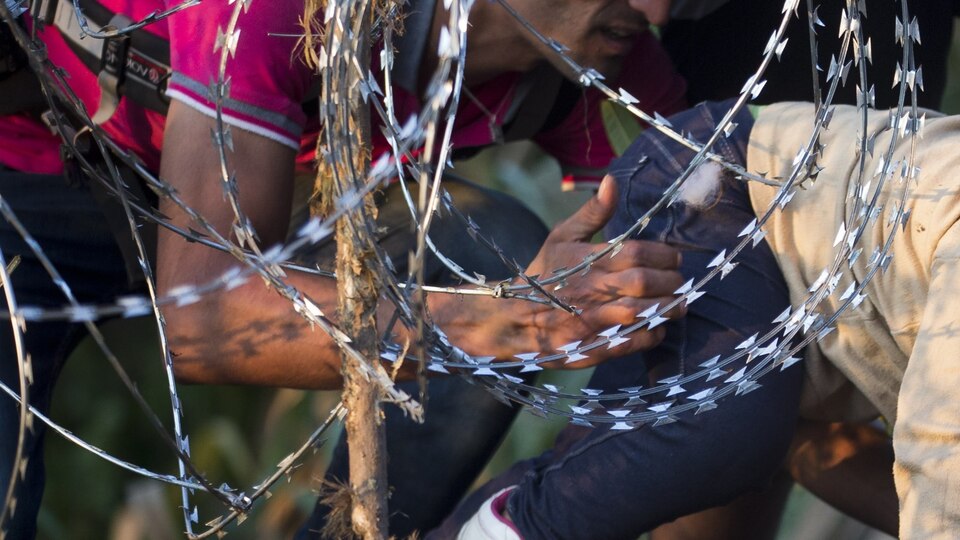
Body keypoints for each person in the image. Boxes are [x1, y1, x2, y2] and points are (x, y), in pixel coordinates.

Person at [0, 0, 689, 537]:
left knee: (490, 253)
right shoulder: (287, 14)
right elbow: (205, 321)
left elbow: (719, 297)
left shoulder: (613, 60)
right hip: (32, 157)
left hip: (279, 183)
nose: (656, 12)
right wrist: (516, 321)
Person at [446, 96, 960, 539]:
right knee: (712, 433)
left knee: (602, 468)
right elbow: (940, 471)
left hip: (802, 299)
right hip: (717, 185)